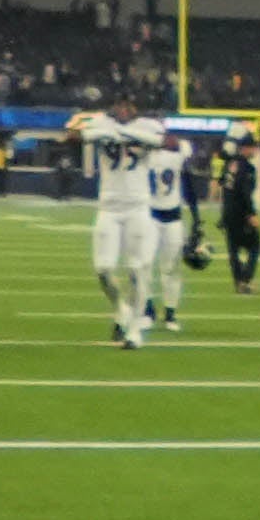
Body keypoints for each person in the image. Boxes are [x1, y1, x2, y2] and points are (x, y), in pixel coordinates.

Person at [80, 102, 177, 348]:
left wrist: (123, 134)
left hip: (138, 207)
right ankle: (120, 309)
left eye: (129, 105)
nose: (124, 109)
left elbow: (166, 142)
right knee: (103, 268)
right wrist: (106, 131)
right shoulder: (102, 122)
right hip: (109, 207)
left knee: (137, 269)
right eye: (120, 104)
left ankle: (135, 329)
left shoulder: (147, 125)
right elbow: (75, 135)